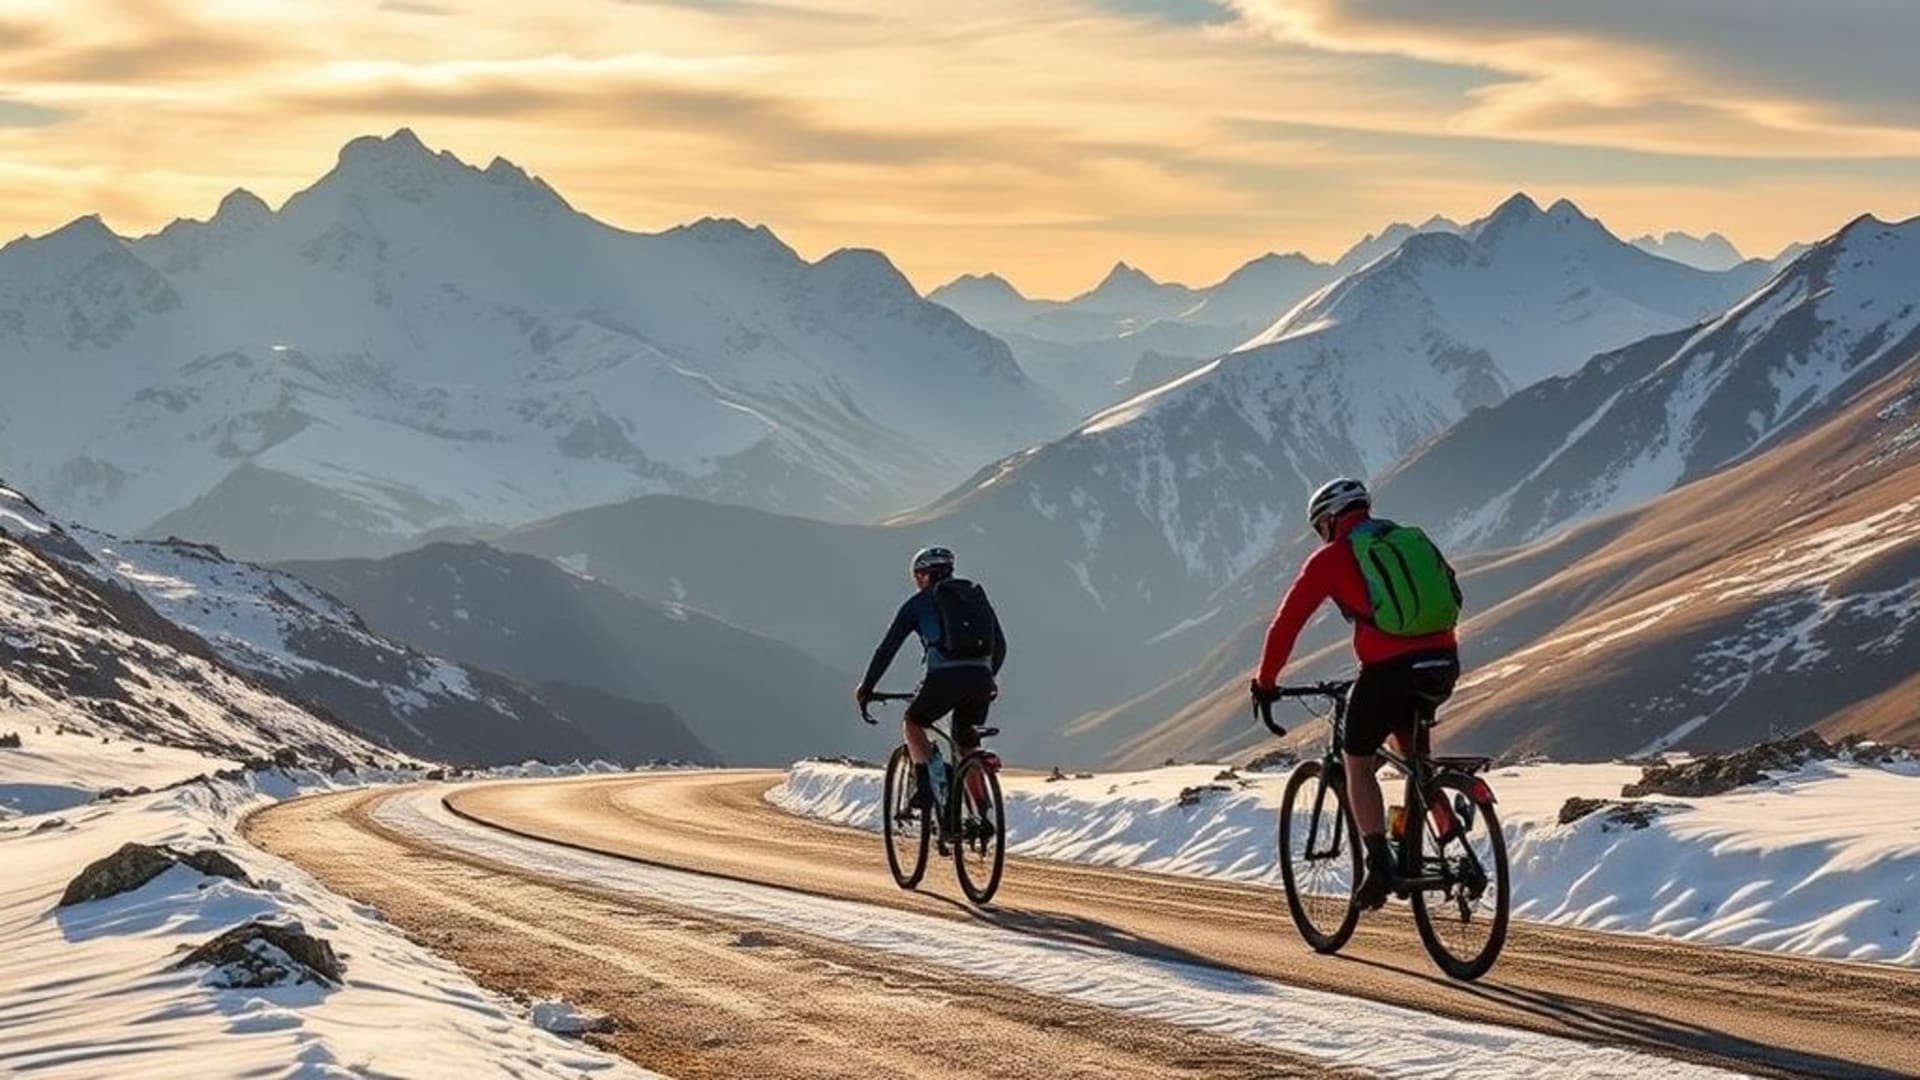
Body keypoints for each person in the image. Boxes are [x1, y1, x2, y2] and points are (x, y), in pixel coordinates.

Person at [1250, 478, 1462, 911]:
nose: (1320, 535)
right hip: (1443, 662)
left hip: (1388, 671)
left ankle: (1380, 865)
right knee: (1413, 756)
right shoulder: (1409, 539)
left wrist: (1265, 682)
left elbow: (1286, 624)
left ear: (1329, 520)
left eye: (1319, 527)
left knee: (1357, 761)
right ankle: (1445, 825)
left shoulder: (1331, 558)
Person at [856, 546, 1007, 810]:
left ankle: (927, 786)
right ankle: (983, 814)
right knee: (966, 741)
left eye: (917, 576)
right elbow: (1001, 645)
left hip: (943, 679)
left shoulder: (917, 604)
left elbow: (887, 649)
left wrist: (866, 688)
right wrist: (989, 675)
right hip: (981, 678)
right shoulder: (974, 597)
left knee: (913, 722)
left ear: (923, 575)